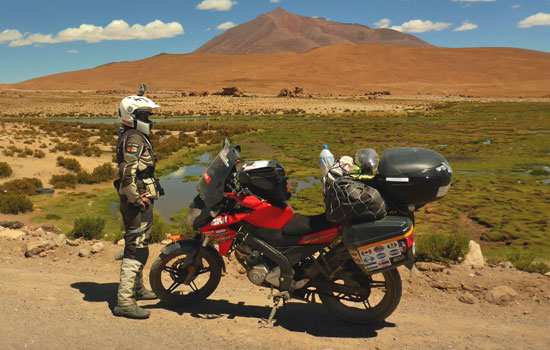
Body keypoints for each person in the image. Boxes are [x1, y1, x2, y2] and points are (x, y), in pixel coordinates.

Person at [113, 94, 164, 319]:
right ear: (131, 116)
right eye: (143, 114)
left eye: (147, 114)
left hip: (140, 196)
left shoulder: (134, 135)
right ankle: (124, 301)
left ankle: (137, 289)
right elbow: (127, 172)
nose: (147, 118)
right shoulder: (134, 138)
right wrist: (135, 198)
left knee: (140, 243)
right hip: (137, 198)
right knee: (136, 246)